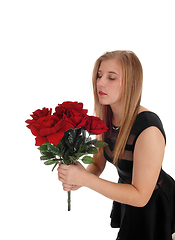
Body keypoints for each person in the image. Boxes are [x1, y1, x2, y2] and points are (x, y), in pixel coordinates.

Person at [58, 50, 175, 240]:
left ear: (131, 84)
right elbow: (97, 164)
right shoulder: (106, 118)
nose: (101, 82)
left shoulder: (148, 129)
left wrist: (86, 180)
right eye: (99, 75)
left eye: (111, 77)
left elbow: (140, 196)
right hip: (128, 198)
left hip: (154, 205)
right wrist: (78, 179)